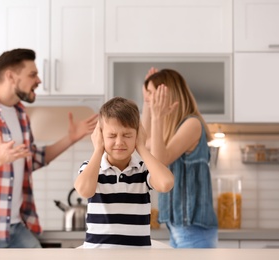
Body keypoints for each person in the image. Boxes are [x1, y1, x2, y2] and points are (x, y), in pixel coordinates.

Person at [0, 48, 98, 248]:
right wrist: (0, 159)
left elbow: (33, 158)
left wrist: (71, 138)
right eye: (32, 74)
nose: (38, 80)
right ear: (10, 76)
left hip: (15, 227)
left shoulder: (21, 113)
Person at [74, 97, 174, 248]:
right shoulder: (92, 168)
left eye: (127, 135)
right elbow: (84, 190)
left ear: (137, 135)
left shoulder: (143, 170)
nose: (119, 142)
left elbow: (166, 184)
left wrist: (141, 146)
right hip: (98, 257)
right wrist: (98, 150)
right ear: (100, 136)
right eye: (112, 136)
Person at [141, 67, 218, 248]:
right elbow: (143, 143)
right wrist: (147, 104)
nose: (150, 98)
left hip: (193, 229)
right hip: (177, 227)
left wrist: (157, 117)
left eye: (153, 94)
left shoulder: (192, 124)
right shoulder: (169, 132)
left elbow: (160, 162)